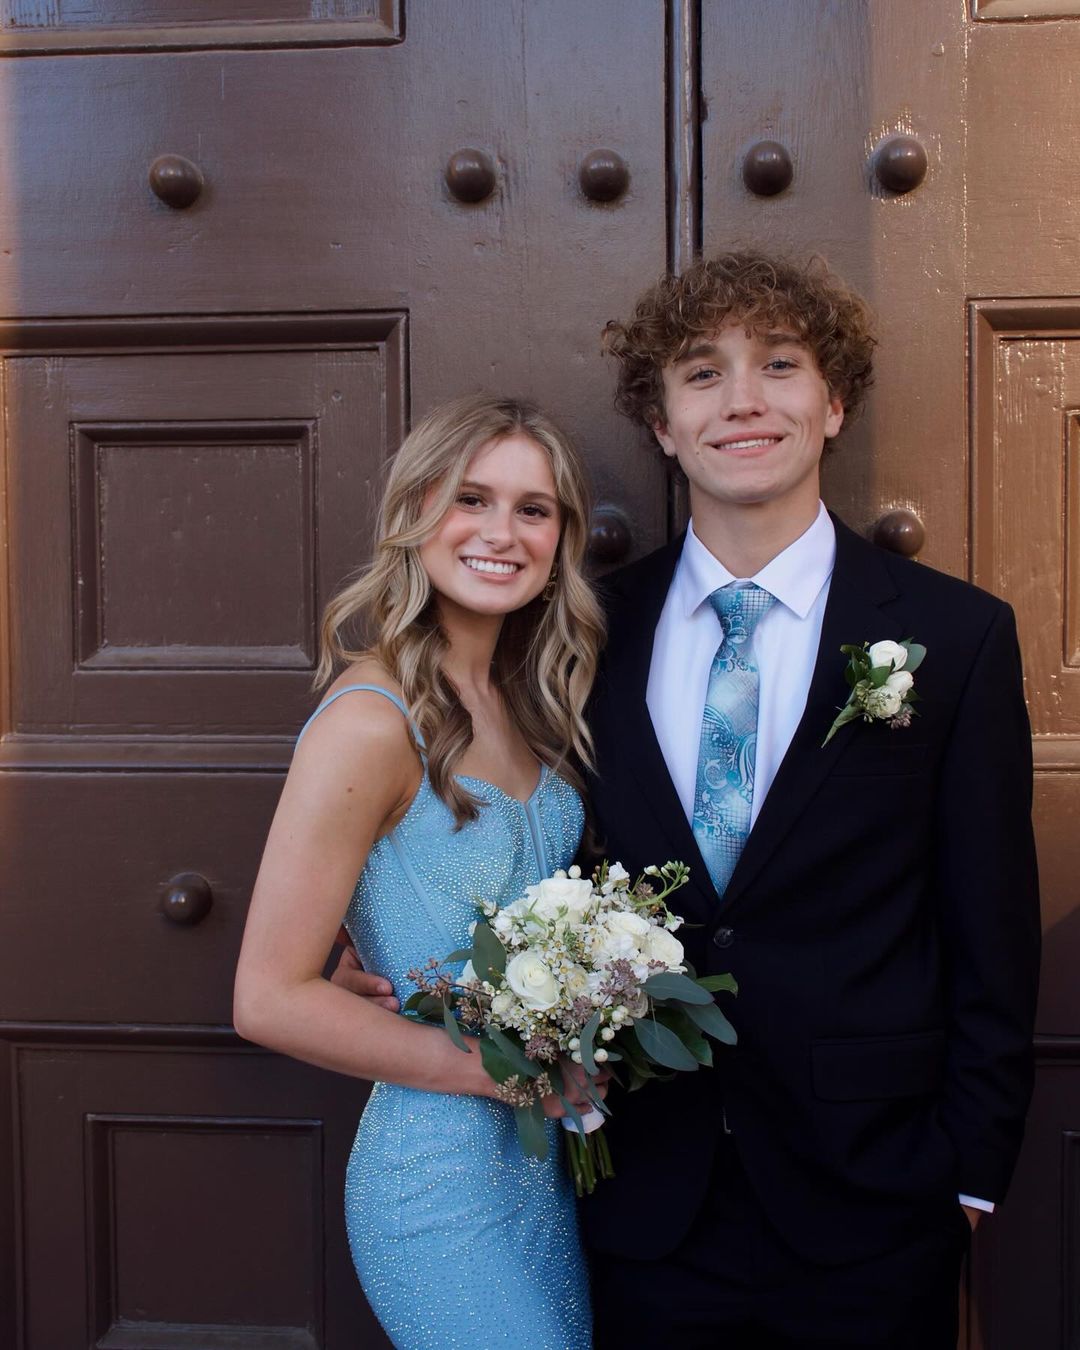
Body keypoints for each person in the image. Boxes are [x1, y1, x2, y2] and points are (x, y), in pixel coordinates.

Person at [335, 251, 1041, 1349]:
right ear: (663, 425)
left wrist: (970, 1176)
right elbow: (499, 828)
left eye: (781, 365)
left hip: (876, 1197)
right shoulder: (576, 635)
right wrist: (388, 949)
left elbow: (993, 930)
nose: (743, 400)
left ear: (834, 403)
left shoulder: (955, 635)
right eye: (704, 373)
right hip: (636, 1190)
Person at [234, 393, 605, 1350]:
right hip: (436, 1184)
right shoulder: (371, 720)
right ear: (415, 512)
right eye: (471, 498)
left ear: (560, 538)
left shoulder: (531, 702)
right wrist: (499, 1074)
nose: (501, 532)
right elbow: (267, 999)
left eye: (533, 509)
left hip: (542, 1172)